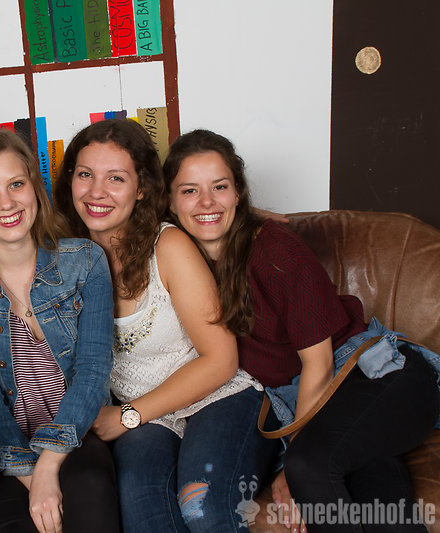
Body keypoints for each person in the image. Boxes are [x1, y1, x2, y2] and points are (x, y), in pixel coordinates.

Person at [164, 128, 440, 533]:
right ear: (169, 201)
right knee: (380, 500)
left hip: (377, 378)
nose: (207, 201)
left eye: (219, 187)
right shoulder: (180, 259)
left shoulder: (276, 250)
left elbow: (320, 363)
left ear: (238, 193)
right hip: (334, 409)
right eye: (190, 190)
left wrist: (293, 465)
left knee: (309, 466)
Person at [53, 118, 280, 533]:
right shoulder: (63, 259)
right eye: (85, 175)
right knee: (147, 517)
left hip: (216, 398)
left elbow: (221, 360)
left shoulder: (168, 245)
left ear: (141, 189)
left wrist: (127, 417)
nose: (96, 192)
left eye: (116, 178)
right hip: (149, 420)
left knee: (203, 508)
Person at [0, 128, 119, 533]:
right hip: (8, 449)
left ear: (35, 187)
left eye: (16, 184)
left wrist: (49, 467)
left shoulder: (86, 262)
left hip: (77, 436)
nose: (6, 203)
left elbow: (92, 372)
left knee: (89, 489)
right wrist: (34, 481)